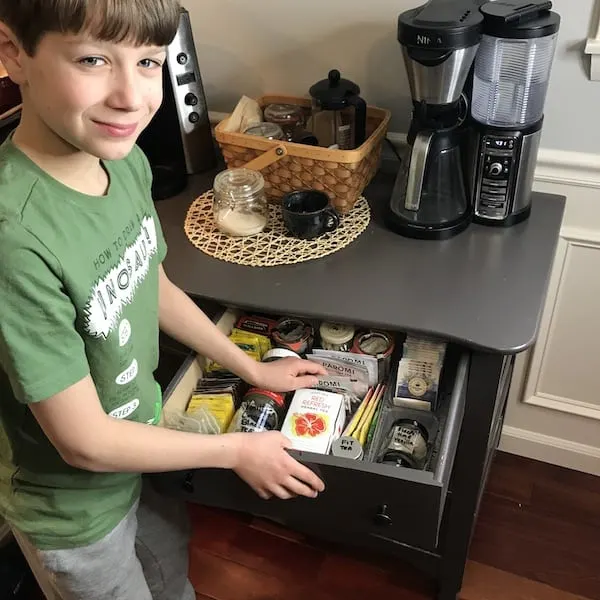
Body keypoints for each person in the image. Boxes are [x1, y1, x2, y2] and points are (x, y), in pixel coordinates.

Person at [0, 1, 327, 599]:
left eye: (149, 62)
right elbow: (85, 442)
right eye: (94, 59)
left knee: (169, 577)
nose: (131, 97)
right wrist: (233, 450)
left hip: (146, 451)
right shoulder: (13, 237)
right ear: (12, 54)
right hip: (74, 512)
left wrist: (250, 366)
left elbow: (149, 284)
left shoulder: (121, 161)